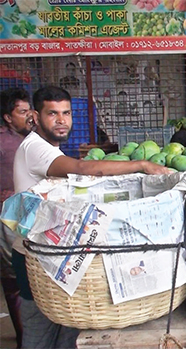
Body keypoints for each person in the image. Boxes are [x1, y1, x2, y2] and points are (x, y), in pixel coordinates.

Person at [12, 86, 169, 349]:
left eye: (66, 113)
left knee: (66, 329)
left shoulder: (50, 149)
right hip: (34, 257)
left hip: (52, 256)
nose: (61, 120)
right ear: (36, 117)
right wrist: (142, 165)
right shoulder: (35, 148)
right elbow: (82, 169)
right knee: (39, 334)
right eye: (52, 113)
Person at [0, 88, 32, 348]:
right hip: (6, 217)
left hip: (25, 215)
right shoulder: (3, 142)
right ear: (8, 117)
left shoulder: (29, 139)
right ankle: (23, 336)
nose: (29, 116)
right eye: (22, 112)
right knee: (12, 278)